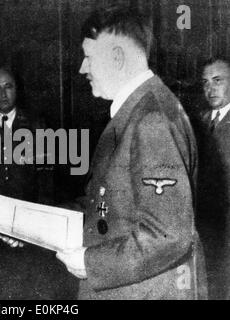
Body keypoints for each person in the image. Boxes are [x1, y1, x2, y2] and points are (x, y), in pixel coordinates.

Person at [55, 6, 207, 299]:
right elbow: (113, 202)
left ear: (116, 57)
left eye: (88, 57)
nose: (81, 69)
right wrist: (47, 219)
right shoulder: (137, 111)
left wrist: (90, 263)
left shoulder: (152, 120)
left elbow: (169, 234)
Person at [0, 67, 75, 299]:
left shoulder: (37, 125)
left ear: (17, 89)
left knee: (29, 290)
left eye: (8, 87)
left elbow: (47, 181)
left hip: (29, 229)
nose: (3, 94)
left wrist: (33, 225)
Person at [197, 57, 230, 299]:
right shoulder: (199, 121)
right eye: (206, 83)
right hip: (203, 225)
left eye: (218, 81)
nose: (210, 89)